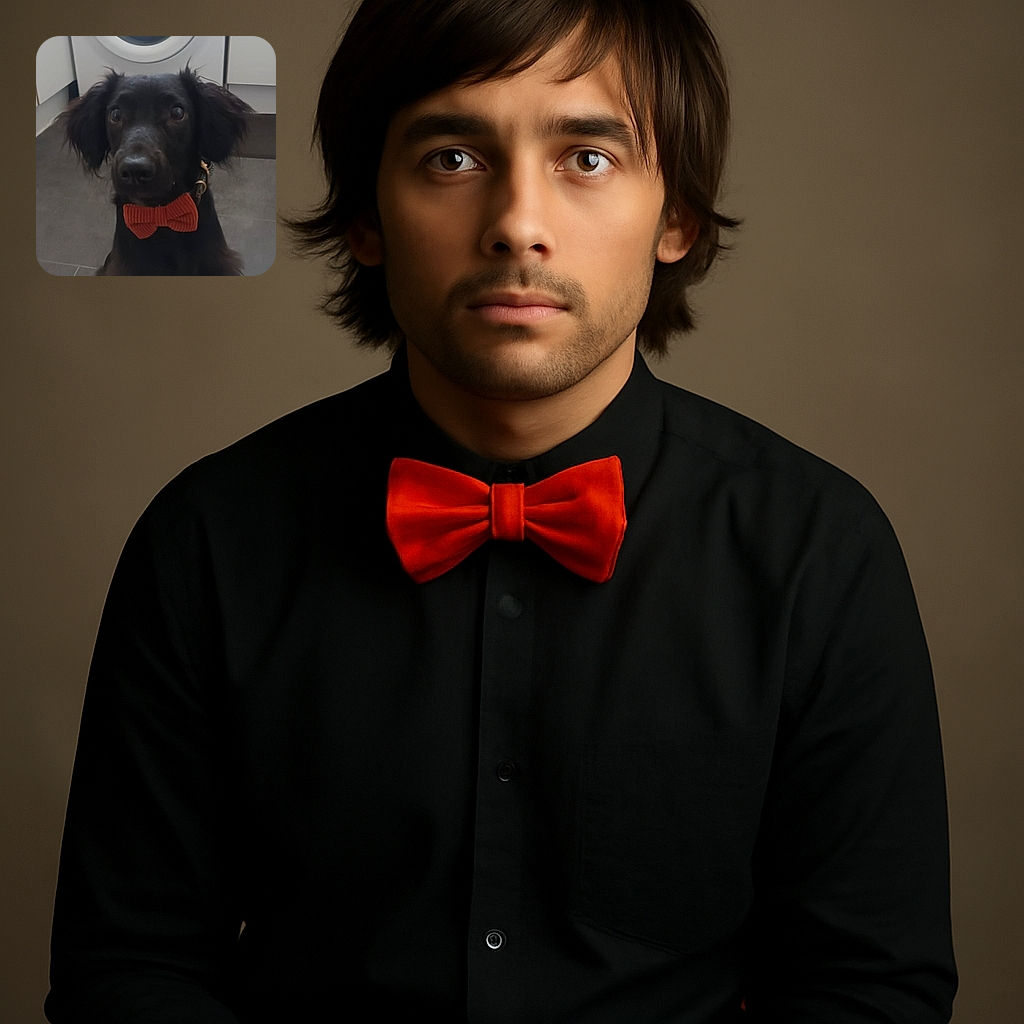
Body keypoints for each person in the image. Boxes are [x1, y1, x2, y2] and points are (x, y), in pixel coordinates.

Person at [45, 1, 957, 1021]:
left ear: (676, 220)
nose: (518, 223)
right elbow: (128, 967)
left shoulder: (819, 552)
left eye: (588, 158)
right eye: (450, 157)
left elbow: (870, 989)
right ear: (365, 218)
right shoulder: (206, 540)